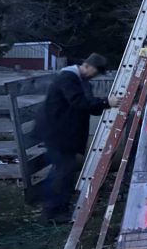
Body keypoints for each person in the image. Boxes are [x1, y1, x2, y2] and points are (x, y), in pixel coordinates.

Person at [36, 53, 117, 224]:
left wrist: (102, 104)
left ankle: (57, 208)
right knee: (64, 170)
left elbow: (87, 105)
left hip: (63, 132)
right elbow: (78, 102)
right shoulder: (68, 79)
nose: (94, 76)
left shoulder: (78, 80)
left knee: (63, 170)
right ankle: (52, 212)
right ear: (87, 66)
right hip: (58, 132)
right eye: (94, 72)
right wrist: (106, 103)